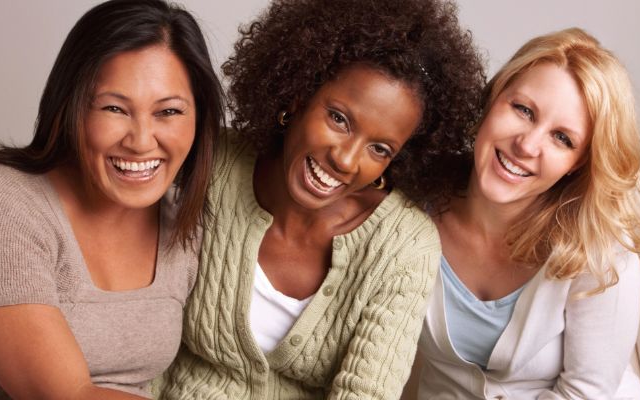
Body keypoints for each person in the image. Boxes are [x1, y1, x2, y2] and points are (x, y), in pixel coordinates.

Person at [156, 0, 485, 398]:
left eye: (379, 149)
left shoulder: (404, 245)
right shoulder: (213, 165)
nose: (346, 160)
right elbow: (143, 338)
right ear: (299, 93)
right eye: (339, 119)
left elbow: (366, 392)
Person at [0, 0, 223, 398]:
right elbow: (66, 395)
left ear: (200, 118)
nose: (141, 141)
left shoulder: (184, 220)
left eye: (169, 111)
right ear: (70, 108)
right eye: (114, 108)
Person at [412, 28, 640, 399]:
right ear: (493, 98)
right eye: (523, 110)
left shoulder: (603, 249)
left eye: (562, 139)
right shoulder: (413, 208)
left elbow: (585, 392)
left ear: (578, 164)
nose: (527, 145)